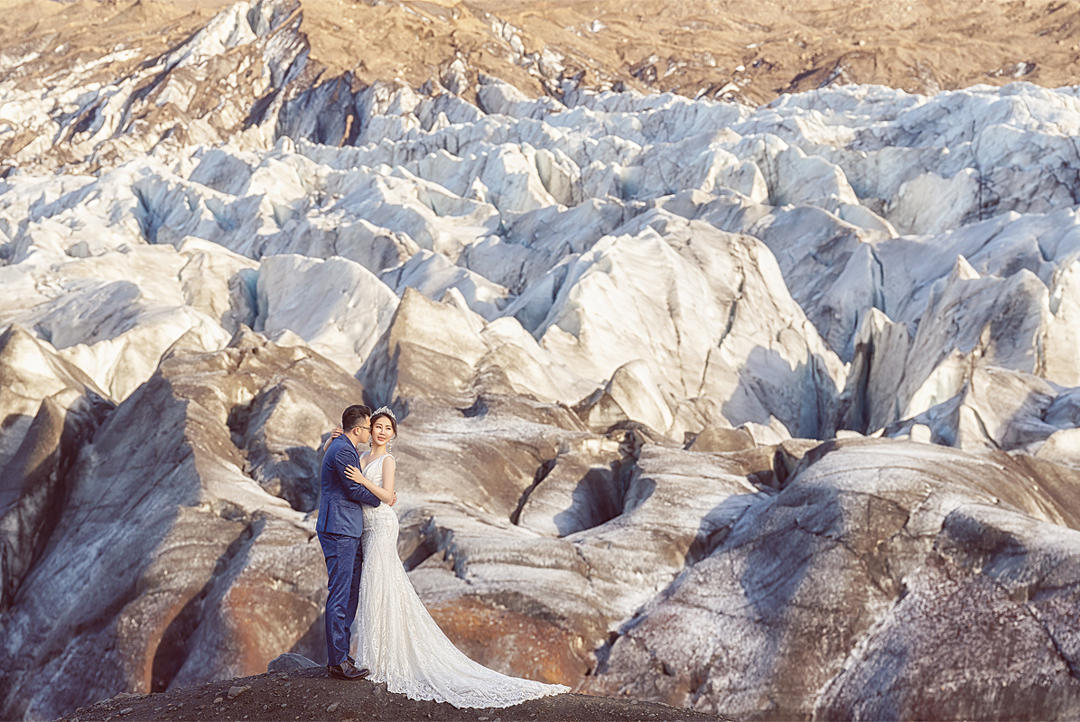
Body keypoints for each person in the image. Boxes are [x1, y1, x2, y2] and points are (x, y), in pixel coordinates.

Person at [340, 405, 570, 708]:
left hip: (382, 526)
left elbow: (387, 495)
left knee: (382, 583)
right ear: (369, 430)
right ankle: (377, 656)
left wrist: (363, 480)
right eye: (377, 427)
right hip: (367, 528)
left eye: (387, 428)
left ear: (393, 434)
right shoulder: (361, 456)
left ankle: (387, 661)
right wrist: (339, 441)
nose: (381, 432)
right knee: (374, 588)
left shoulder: (387, 460)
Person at [315, 404, 385, 681]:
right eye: (369, 428)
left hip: (346, 528)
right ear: (358, 429)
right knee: (341, 595)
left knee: (349, 592)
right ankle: (338, 662)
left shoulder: (342, 446)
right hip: (340, 529)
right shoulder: (344, 450)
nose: (371, 433)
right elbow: (353, 488)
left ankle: (340, 656)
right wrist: (379, 498)